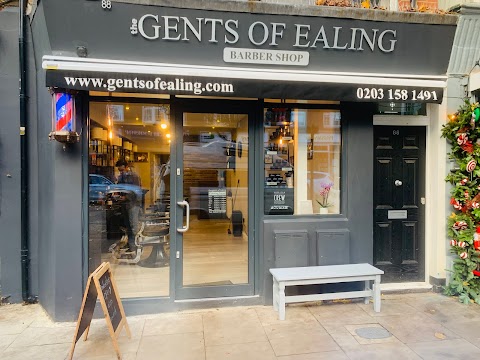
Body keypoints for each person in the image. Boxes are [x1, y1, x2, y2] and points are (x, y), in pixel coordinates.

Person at [115, 159, 141, 253]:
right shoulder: (121, 177)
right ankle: (131, 244)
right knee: (128, 225)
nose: (121, 172)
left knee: (133, 225)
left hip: (133, 203)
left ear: (126, 167)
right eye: (119, 170)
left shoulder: (134, 176)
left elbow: (136, 190)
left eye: (122, 170)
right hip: (125, 204)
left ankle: (136, 245)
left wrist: (126, 197)